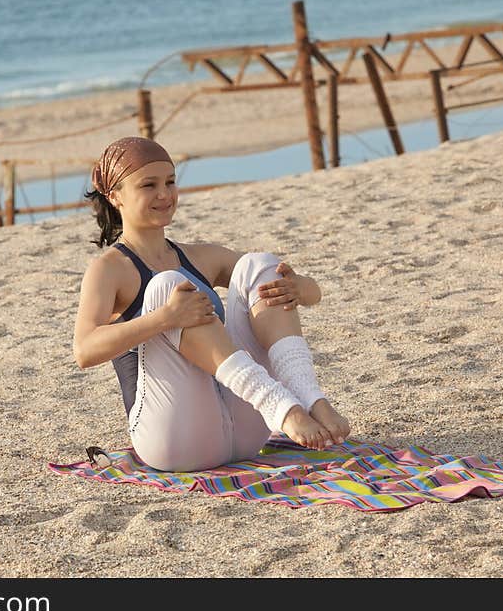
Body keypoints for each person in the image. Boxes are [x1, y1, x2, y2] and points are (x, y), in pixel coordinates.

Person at [73, 136, 351, 472]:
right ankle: (281, 407)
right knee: (167, 286)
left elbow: (307, 292)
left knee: (257, 263)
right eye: (149, 185)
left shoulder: (199, 256)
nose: (164, 194)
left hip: (245, 436)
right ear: (115, 196)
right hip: (175, 440)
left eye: (170, 182)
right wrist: (164, 318)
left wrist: (300, 288)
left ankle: (309, 397)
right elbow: (84, 351)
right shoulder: (110, 268)